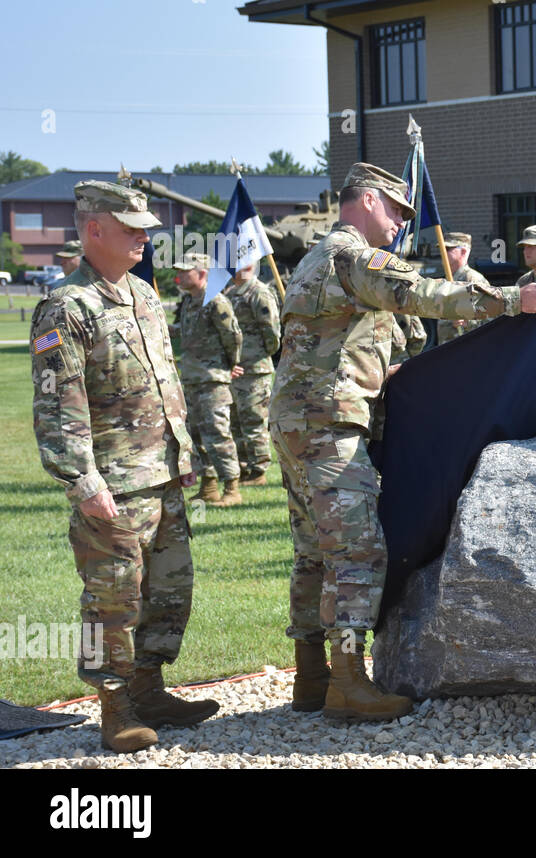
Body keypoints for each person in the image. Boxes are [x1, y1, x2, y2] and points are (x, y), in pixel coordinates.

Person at [270, 162, 536, 721]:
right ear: (369, 200)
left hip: (300, 423)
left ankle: (310, 676)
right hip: (330, 428)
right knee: (357, 550)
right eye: (398, 211)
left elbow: (328, 343)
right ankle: (348, 682)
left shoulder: (316, 256)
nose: (403, 223)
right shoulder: (354, 256)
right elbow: (417, 292)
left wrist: (383, 373)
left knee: (312, 550)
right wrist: (504, 302)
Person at [29, 180, 219, 752]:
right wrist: (82, 482)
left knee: (168, 590)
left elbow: (164, 380)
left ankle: (150, 688)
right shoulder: (66, 306)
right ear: (93, 230)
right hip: (111, 483)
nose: (143, 236)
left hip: (161, 475)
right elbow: (57, 407)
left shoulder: (142, 292)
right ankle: (113, 705)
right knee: (110, 597)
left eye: (145, 227)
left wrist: (183, 453)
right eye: (131, 227)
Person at [172, 253, 244, 507]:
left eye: (185, 272)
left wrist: (230, 364)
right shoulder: (189, 302)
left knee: (218, 432)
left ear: (202, 274)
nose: (178, 277)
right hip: (192, 378)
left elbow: (232, 336)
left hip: (212, 380)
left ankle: (232, 487)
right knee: (197, 436)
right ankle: (209, 485)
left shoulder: (216, 300)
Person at [222, 263, 280, 486]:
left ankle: (258, 470)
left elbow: (272, 332)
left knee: (254, 419)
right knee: (236, 420)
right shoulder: (229, 292)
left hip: (255, 368)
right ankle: (244, 467)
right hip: (235, 368)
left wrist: (258, 355)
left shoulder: (259, 293)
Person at [436, 231, 497, 342]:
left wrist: (468, 322)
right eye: (441, 249)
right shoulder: (447, 279)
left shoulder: (473, 280)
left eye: (448, 249)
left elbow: (490, 316)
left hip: (467, 347)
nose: (442, 252)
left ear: (463, 252)